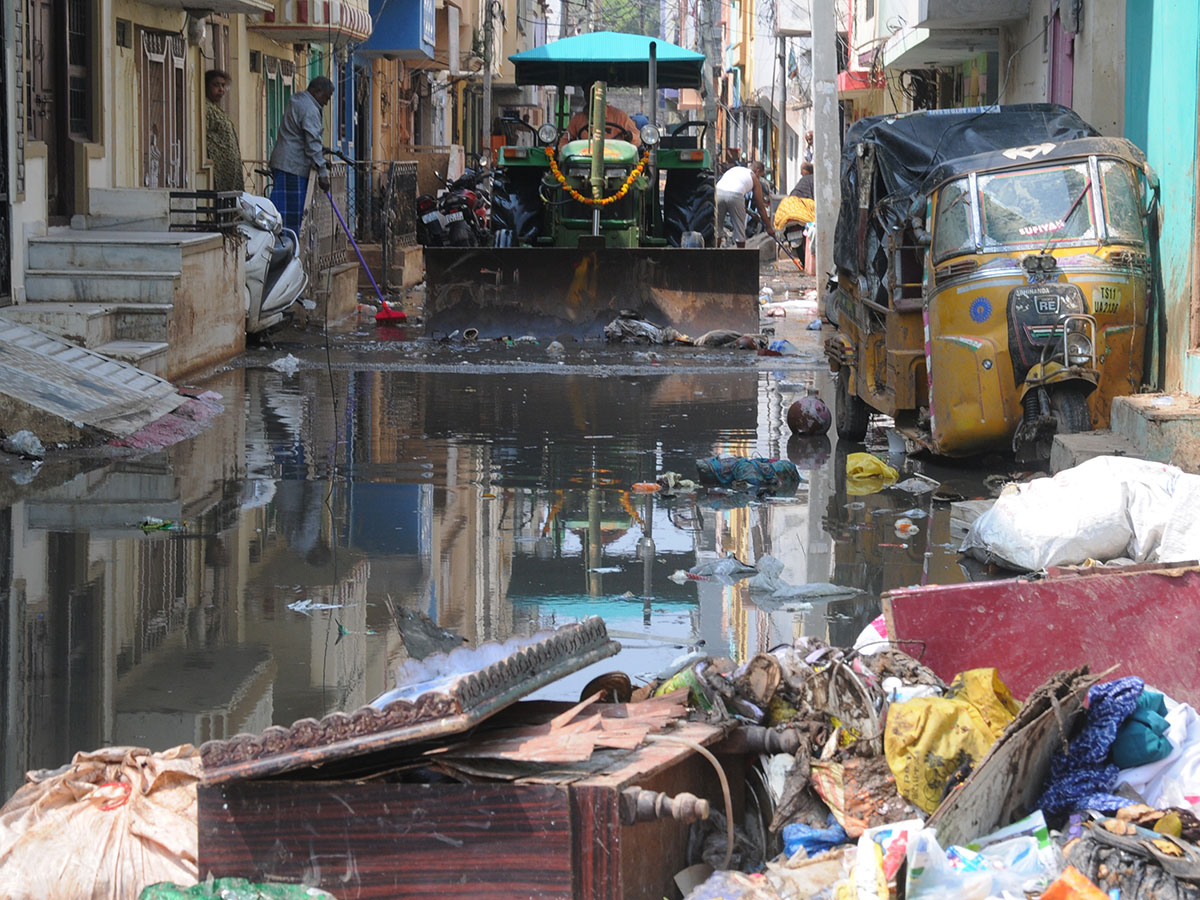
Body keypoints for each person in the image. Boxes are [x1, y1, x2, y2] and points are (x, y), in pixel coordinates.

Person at [268, 75, 335, 235]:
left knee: (283, 214)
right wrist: (322, 173)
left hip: (286, 164)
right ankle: (287, 249)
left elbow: (302, 139)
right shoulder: (309, 108)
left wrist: (322, 160)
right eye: (326, 97)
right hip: (293, 167)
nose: (326, 102)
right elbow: (312, 142)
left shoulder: (299, 100)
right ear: (317, 91)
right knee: (291, 217)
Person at [716, 160, 775, 248]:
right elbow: (760, 207)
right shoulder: (754, 178)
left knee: (717, 229)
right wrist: (769, 227)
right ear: (757, 171)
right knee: (739, 231)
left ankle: (714, 253)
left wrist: (750, 213)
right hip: (735, 195)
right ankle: (741, 258)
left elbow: (737, 200)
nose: (759, 178)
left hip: (718, 192)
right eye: (760, 176)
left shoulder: (736, 169)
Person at [205, 69, 244, 193]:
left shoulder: (215, 108)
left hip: (228, 176)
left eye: (223, 85)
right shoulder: (205, 108)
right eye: (216, 85)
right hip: (217, 176)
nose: (221, 89)